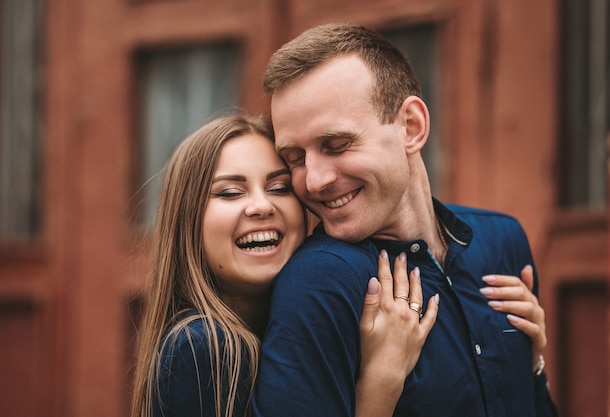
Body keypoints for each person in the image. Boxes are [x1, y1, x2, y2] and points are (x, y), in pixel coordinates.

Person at [252, 23, 557, 416]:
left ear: (411, 127)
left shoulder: (503, 239)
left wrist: (532, 364)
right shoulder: (321, 281)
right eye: (295, 158)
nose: (314, 180)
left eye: (337, 145)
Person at [130, 114, 440, 417]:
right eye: (230, 192)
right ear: (186, 223)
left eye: (279, 188)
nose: (262, 206)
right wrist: (381, 384)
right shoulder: (202, 347)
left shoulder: (284, 327)